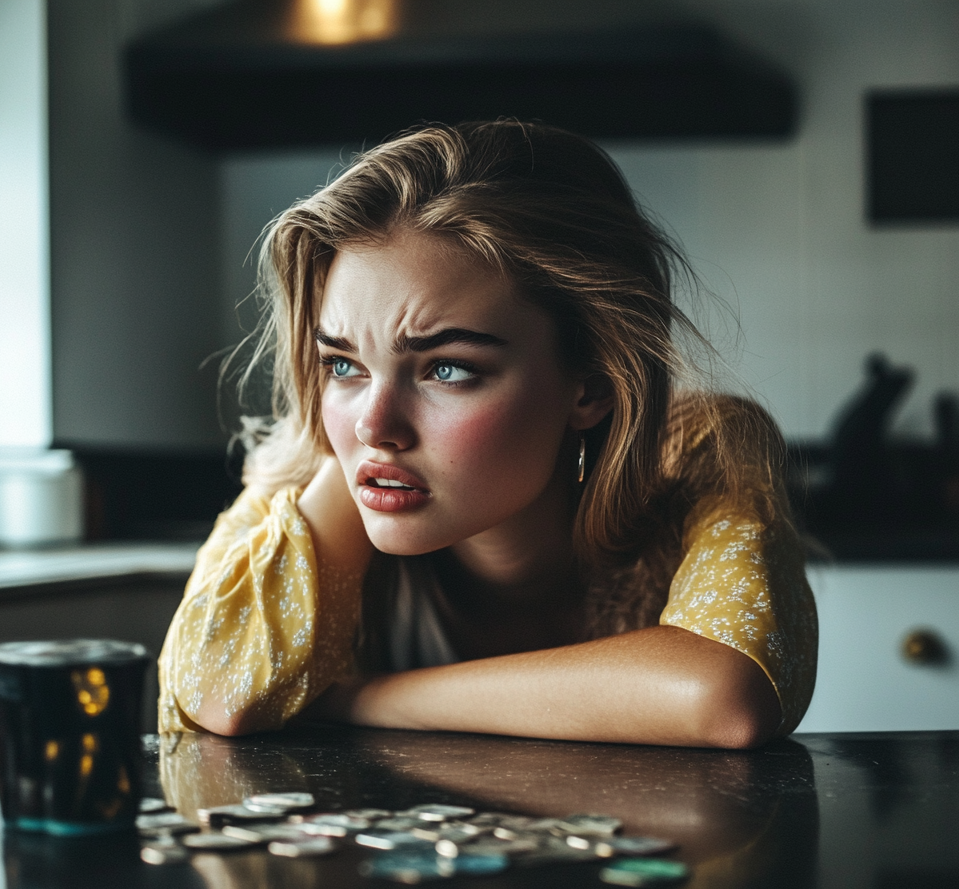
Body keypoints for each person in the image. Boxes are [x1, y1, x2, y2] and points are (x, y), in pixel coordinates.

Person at [158, 120, 817, 747]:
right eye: (342, 364)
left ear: (591, 387)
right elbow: (221, 695)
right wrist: (344, 463)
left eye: (447, 368)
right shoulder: (307, 472)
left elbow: (726, 697)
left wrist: (358, 699)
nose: (373, 425)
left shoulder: (698, 448)